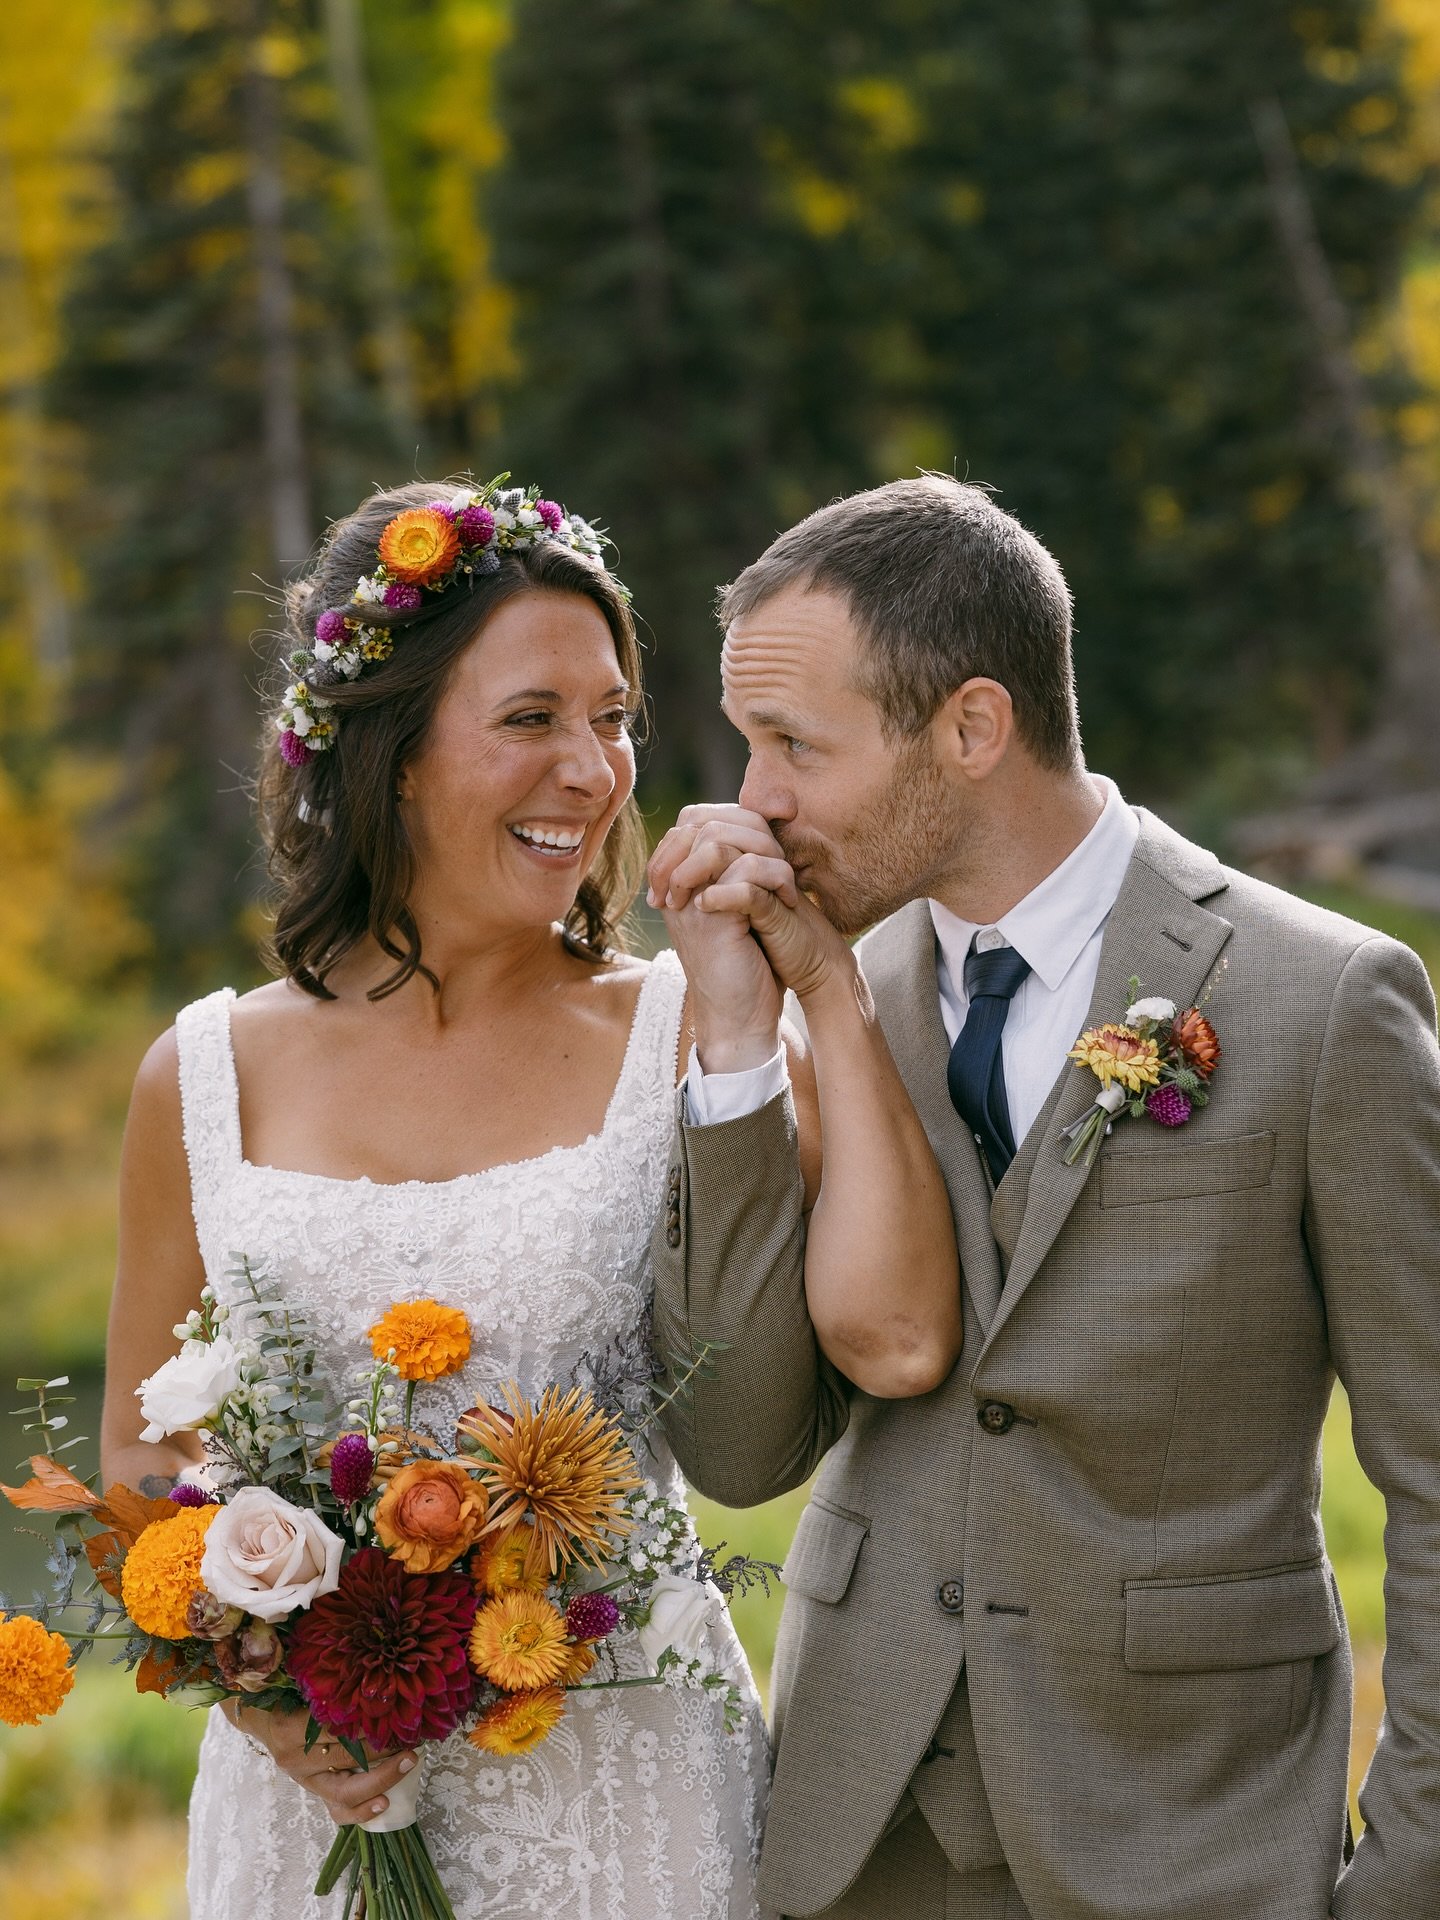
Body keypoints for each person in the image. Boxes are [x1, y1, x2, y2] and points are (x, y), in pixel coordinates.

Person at [99, 476, 960, 1920]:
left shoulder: (698, 1025)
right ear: (392, 756)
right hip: (307, 1820)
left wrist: (815, 987)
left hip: (631, 1802)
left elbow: (902, 1334)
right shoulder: (200, 1072)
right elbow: (137, 1465)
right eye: (531, 721)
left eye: (613, 718)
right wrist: (259, 1696)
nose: (596, 769)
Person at [647, 474, 1440, 1920]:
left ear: (971, 726)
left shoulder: (1323, 1003)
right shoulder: (830, 995)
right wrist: (731, 1047)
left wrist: (1407, 1882)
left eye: (793, 746)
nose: (751, 799)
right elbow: (740, 1446)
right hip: (856, 1842)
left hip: (1193, 1841)